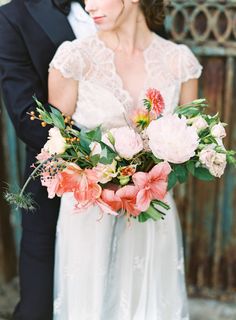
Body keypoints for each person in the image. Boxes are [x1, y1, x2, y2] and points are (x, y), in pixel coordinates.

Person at [48, 0, 202, 319]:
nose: (89, 6)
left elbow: (192, 147)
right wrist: (103, 179)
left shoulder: (180, 62)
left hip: (152, 212)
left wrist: (157, 171)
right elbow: (57, 144)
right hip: (91, 213)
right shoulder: (73, 59)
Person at [0, 0, 96, 319]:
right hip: (57, 170)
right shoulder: (13, 17)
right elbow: (25, 112)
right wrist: (92, 156)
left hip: (129, 173)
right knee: (41, 298)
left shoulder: (127, 6)